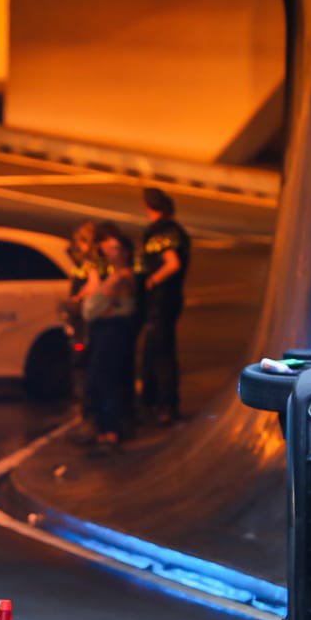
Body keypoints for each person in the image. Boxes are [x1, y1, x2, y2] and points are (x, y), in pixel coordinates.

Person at [136, 186, 190, 426]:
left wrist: (151, 280)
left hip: (161, 300)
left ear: (148, 207)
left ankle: (166, 404)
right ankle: (153, 401)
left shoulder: (161, 233)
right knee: (154, 351)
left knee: (160, 353)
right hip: (169, 299)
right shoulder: (177, 230)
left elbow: (172, 263)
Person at [81, 223, 138, 449]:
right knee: (97, 381)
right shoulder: (108, 274)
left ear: (124, 252)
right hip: (101, 331)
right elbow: (92, 310)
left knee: (106, 380)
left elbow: (93, 309)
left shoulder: (124, 276)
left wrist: (103, 293)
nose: (108, 251)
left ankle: (111, 430)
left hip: (114, 333)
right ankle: (104, 428)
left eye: (115, 248)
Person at [63, 221, 104, 430]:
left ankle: (89, 411)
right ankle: (87, 409)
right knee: (81, 363)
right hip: (80, 318)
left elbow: (94, 284)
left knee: (83, 363)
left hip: (86, 319)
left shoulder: (93, 261)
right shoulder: (84, 261)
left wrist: (78, 297)